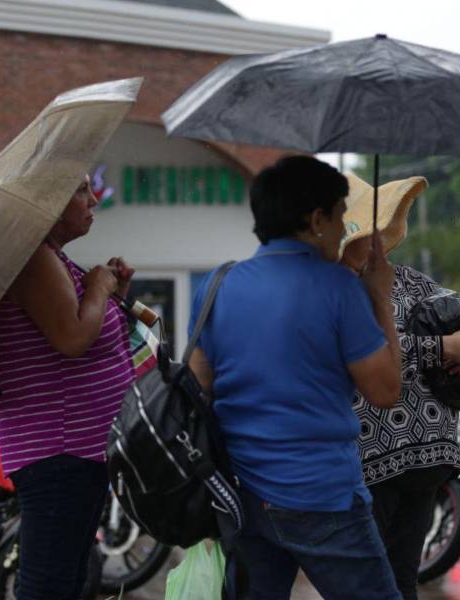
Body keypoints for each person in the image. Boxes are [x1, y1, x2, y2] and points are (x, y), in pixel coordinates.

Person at [188, 156, 403, 600]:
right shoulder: (339, 288)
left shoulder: (217, 285)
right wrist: (380, 296)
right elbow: (385, 391)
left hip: (244, 497)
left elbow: (197, 387)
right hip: (324, 496)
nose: (343, 229)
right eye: (340, 215)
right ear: (316, 220)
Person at [340, 173, 460, 600]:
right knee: (364, 583)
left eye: (378, 229)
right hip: (365, 462)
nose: (375, 239)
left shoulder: (407, 279)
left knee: (403, 578)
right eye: (365, 230)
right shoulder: (332, 289)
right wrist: (444, 348)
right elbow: (363, 357)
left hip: (426, 459)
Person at [0, 175, 135, 599]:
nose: (93, 199)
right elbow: (72, 338)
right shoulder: (33, 257)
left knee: (68, 581)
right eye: (80, 190)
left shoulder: (52, 258)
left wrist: (112, 293)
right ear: (47, 200)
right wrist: (99, 288)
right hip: (59, 451)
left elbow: (88, 341)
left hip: (76, 453)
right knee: (49, 587)